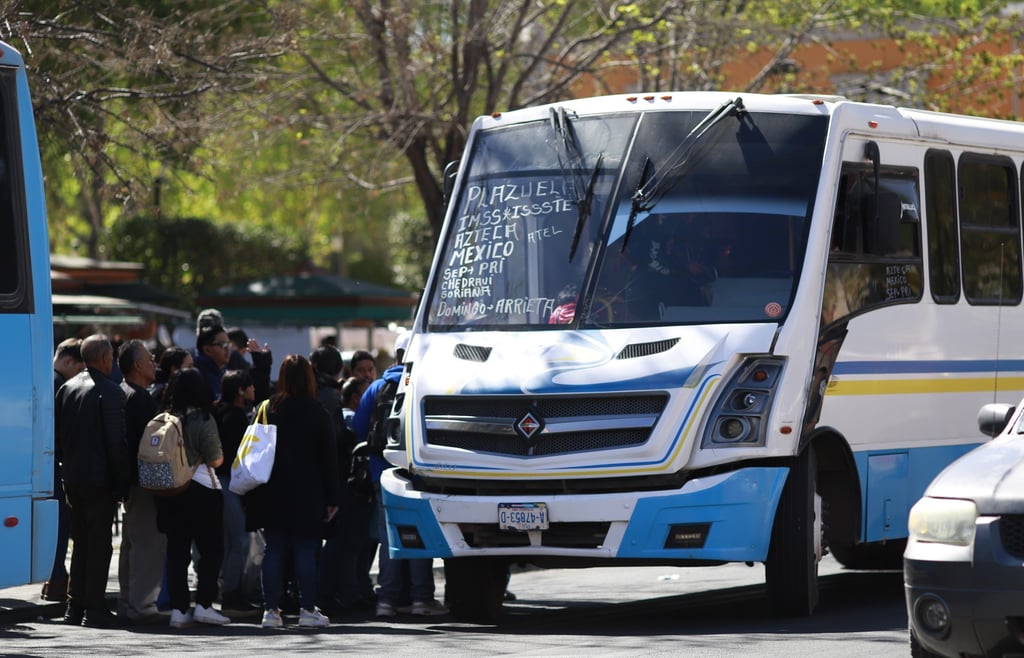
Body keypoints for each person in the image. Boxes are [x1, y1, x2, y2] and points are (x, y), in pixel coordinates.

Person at [353, 334, 448, 618]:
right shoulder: (423, 384)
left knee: (388, 538)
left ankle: (387, 601)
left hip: (381, 473)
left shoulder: (376, 387)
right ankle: (421, 599)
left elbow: (358, 428)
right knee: (420, 535)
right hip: (418, 473)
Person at [245, 355, 340, 629]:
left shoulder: (269, 407)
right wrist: (333, 498)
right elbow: (329, 459)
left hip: (272, 489)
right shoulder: (317, 411)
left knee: (274, 550)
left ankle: (270, 612)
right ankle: (308, 610)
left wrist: (261, 364)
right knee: (305, 551)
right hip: (308, 492)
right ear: (310, 378)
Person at [54, 334, 133, 628]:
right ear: (104, 358)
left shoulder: (66, 389)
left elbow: (59, 436)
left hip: (72, 476)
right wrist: (122, 483)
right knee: (98, 546)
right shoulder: (110, 392)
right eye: (110, 355)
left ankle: (75, 607)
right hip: (99, 480)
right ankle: (94, 608)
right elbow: (117, 444)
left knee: (82, 543)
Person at [154, 368, 231, 628]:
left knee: (177, 552)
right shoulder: (203, 419)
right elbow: (215, 459)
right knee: (210, 551)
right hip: (201, 490)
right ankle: (205, 605)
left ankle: (178, 610)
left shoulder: (164, 418)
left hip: (169, 490)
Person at [115, 340, 166, 625]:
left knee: (132, 544)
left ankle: (128, 602)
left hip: (129, 482)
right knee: (147, 544)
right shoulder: (140, 399)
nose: (153, 362)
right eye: (149, 358)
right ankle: (142, 605)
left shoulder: (123, 393)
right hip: (143, 483)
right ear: (136, 365)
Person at [212, 368, 259, 614]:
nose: (253, 389)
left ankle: (227, 591)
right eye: (249, 385)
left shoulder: (220, 413)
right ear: (241, 390)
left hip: (218, 482)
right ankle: (231, 594)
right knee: (238, 541)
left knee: (229, 540)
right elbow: (238, 457)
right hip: (231, 483)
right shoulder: (236, 417)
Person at [42, 338, 85, 603]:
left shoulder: (45, 379)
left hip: (46, 463)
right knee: (59, 524)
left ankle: (55, 579)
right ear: (68, 361)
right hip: (54, 463)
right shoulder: (60, 386)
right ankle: (57, 578)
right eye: (79, 369)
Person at [194, 324, 232, 402]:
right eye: (223, 345)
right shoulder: (197, 375)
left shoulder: (223, 370)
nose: (228, 349)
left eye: (229, 344)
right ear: (207, 350)